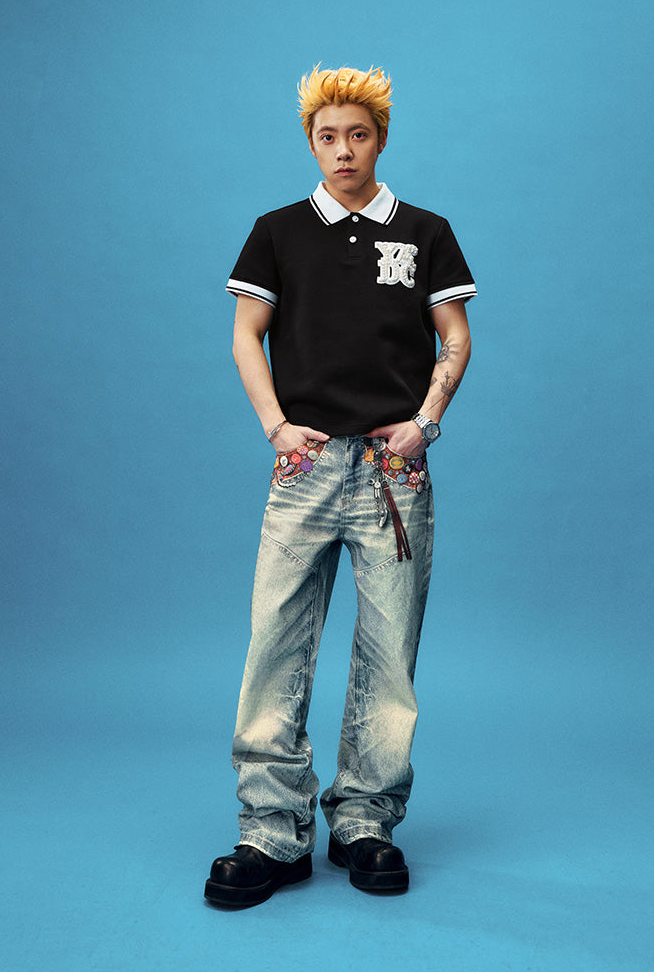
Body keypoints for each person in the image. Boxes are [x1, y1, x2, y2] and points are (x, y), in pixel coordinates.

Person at [204, 66, 476, 908]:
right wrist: (276, 426)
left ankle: (365, 821)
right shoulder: (278, 232)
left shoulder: (424, 232)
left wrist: (425, 421)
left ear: (381, 139)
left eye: (359, 134)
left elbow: (455, 337)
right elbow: (247, 335)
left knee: (390, 649)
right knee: (276, 641)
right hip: (307, 466)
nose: (344, 150)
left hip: (394, 471)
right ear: (311, 143)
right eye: (328, 136)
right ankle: (271, 830)